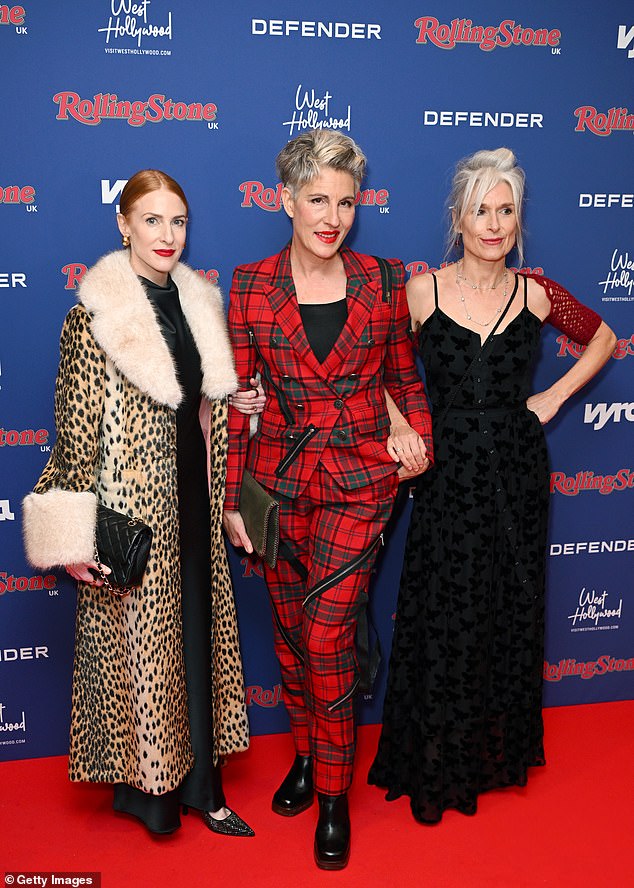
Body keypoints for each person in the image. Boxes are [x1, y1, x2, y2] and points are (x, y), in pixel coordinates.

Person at [367, 147, 617, 823]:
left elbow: (604, 337)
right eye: (482, 209)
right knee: (445, 610)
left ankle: (491, 757)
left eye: (506, 210)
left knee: (506, 608)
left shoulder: (536, 293)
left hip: (515, 470)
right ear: (458, 217)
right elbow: (379, 367)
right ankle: (437, 764)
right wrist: (399, 426)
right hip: (447, 474)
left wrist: (555, 397)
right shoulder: (422, 291)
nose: (495, 222)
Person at [222, 130, 432, 869]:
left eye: (345, 202)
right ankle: (308, 757)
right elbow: (241, 405)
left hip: (358, 484)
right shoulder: (248, 286)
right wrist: (231, 500)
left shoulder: (382, 279)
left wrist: (418, 436)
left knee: (327, 634)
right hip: (273, 485)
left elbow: (405, 380)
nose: (331, 216)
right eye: (317, 199)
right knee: (288, 627)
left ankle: (335, 795)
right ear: (285, 199)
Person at [22, 169, 253, 837]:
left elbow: (206, 414)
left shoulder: (200, 305)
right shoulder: (92, 318)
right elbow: (73, 438)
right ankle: (153, 796)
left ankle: (204, 788)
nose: (167, 234)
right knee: (144, 659)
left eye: (178, 221)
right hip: (135, 512)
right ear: (123, 224)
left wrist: (243, 408)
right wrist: (70, 540)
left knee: (195, 644)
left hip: (194, 502)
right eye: (152, 220)